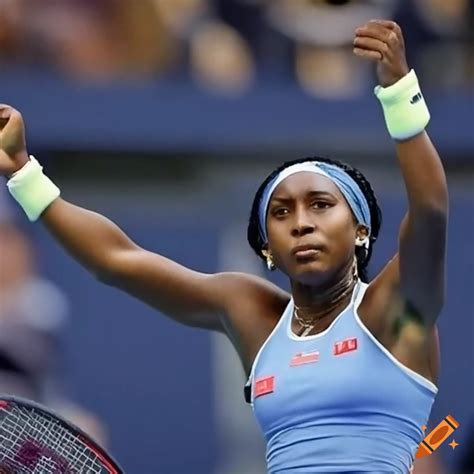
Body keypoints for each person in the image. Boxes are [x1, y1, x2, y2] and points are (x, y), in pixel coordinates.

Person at [0, 19, 448, 473]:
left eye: (320, 205)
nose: (302, 223)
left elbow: (430, 209)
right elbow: (118, 260)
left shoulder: (396, 310)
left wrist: (398, 93)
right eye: (282, 212)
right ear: (268, 250)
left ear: (360, 232)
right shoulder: (250, 312)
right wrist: (23, 172)